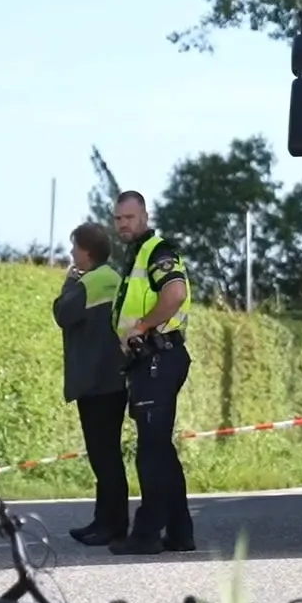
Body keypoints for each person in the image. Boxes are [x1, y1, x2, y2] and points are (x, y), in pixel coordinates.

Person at [107, 190, 196, 556]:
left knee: (151, 452)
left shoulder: (157, 251)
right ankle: (179, 532)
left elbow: (174, 293)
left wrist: (141, 328)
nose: (123, 224)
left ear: (144, 216)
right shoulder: (136, 256)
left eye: (129, 217)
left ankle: (145, 533)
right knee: (160, 449)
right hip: (150, 361)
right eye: (118, 219)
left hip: (159, 357)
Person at [54, 222, 131, 546]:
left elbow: (62, 313)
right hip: (113, 379)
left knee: (104, 457)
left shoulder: (89, 282)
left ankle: (111, 525)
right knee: (108, 454)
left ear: (86, 251)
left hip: (95, 382)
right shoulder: (115, 278)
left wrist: (69, 281)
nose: (72, 254)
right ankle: (105, 520)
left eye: (75, 248)